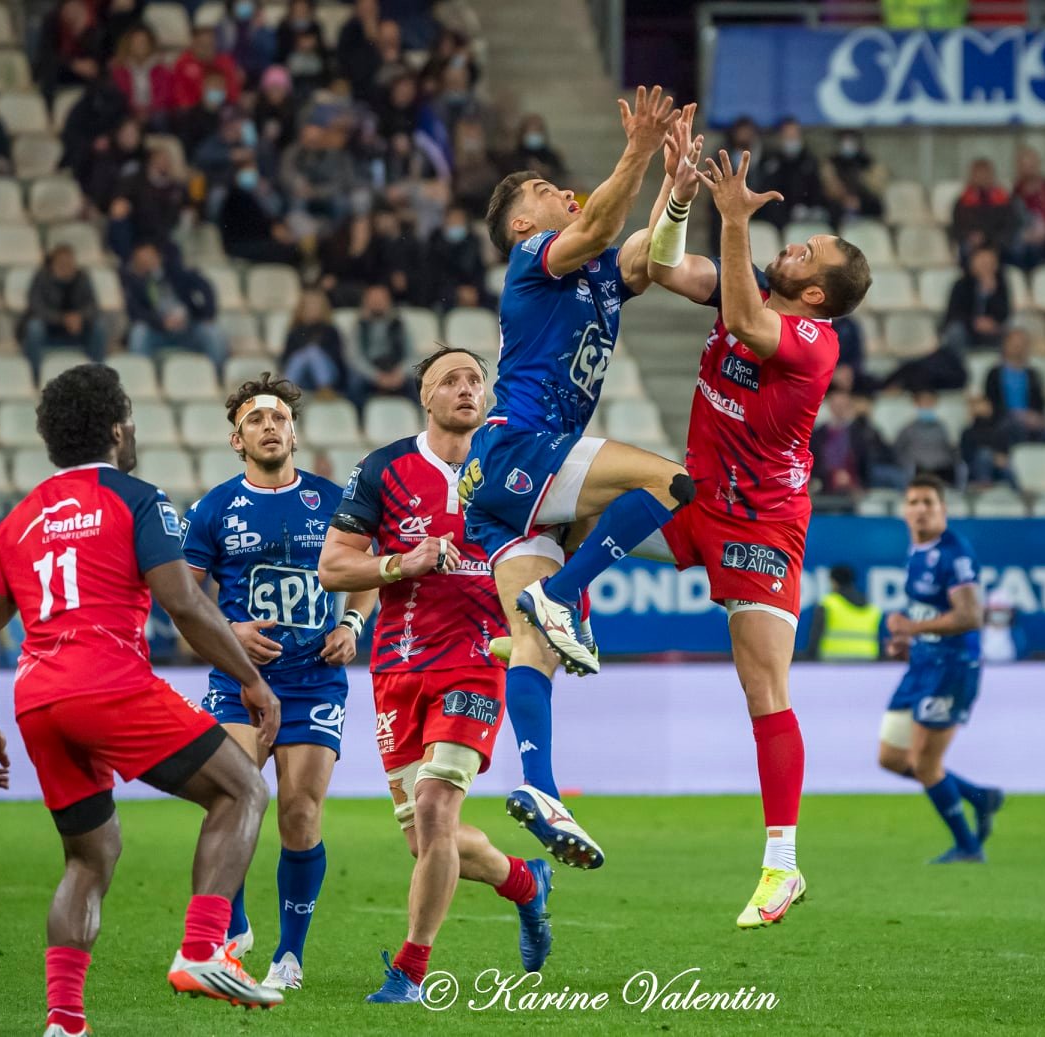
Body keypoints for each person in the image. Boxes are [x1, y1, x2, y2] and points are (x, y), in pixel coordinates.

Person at [0, 364, 286, 1034]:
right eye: (129, 418)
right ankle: (201, 951)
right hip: (107, 680)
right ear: (116, 427)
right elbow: (184, 604)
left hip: (36, 700)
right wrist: (251, 680)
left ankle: (64, 1020)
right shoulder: (137, 497)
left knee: (90, 854)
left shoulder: (17, 521)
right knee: (243, 789)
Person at [643, 119, 871, 926]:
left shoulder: (811, 340)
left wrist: (735, 221)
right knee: (565, 508)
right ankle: (556, 612)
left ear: (816, 295)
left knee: (762, 685)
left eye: (807, 254)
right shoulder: (747, 289)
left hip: (763, 521)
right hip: (693, 492)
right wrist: (675, 195)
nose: (794, 249)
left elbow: (743, 322)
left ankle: (782, 864)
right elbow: (664, 266)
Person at [465, 86, 686, 869]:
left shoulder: (591, 273)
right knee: (671, 483)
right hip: (522, 447)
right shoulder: (534, 259)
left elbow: (648, 258)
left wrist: (676, 185)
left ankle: (541, 787)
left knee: (534, 645)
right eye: (541, 191)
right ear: (523, 224)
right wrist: (637, 148)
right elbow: (597, 222)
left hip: (503, 489)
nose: (560, 190)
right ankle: (563, 597)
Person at [320, 347, 554, 1004]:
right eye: (450, 379)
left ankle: (410, 970)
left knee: (434, 806)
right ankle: (525, 882)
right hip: (398, 668)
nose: (465, 387)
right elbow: (334, 567)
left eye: (475, 378)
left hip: (480, 664)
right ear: (426, 396)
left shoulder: (518, 464)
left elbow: (563, 539)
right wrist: (401, 563)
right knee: (426, 837)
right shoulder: (385, 468)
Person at [181, 374, 377, 993]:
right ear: (237, 438)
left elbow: (366, 574)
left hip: (315, 681)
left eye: (278, 418)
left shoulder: (333, 501)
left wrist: (350, 622)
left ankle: (289, 957)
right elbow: (183, 601)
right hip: (239, 681)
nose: (269, 426)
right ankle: (234, 926)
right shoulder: (213, 508)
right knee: (234, 798)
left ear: (294, 431)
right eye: (255, 419)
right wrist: (229, 632)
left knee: (299, 810)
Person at [877, 474, 1002, 864]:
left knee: (926, 763)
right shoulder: (916, 551)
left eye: (928, 502)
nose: (920, 509)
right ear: (904, 511)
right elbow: (930, 612)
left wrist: (912, 627)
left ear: (942, 509)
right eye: (913, 502)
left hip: (952, 667)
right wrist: (906, 639)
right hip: (921, 664)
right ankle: (979, 797)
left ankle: (968, 846)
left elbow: (969, 616)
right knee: (892, 759)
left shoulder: (954, 554)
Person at [120, 243, 229, 369]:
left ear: (158, 257)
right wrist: (162, 323)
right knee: (139, 332)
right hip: (157, 331)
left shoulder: (177, 272)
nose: (146, 262)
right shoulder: (134, 282)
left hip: (188, 328)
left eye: (149, 257)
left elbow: (205, 288)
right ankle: (140, 374)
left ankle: (218, 377)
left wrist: (207, 315)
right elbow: (135, 311)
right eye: (141, 259)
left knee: (212, 332)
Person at [23, 244, 107, 371]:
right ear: (53, 264)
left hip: (77, 330)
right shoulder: (42, 278)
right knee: (34, 327)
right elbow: (36, 307)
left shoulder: (82, 278)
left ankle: (96, 373)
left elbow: (92, 306)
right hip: (49, 330)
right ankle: (34, 374)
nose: (66, 265)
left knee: (99, 326)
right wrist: (63, 319)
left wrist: (79, 317)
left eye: (70, 262)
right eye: (62, 262)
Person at [812, 387, 899, 496]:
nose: (839, 409)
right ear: (830, 405)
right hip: (824, 484)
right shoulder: (818, 434)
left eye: (842, 405)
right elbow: (814, 461)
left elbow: (869, 459)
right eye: (836, 405)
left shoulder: (860, 431)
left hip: (855, 485)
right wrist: (832, 475)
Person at [219, 162, 305, 267]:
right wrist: (274, 230)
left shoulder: (258, 195)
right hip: (240, 245)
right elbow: (262, 224)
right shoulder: (236, 196)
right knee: (291, 251)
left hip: (254, 241)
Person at [281, 290, 356, 400]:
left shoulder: (331, 331)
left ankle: (324, 388)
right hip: (303, 377)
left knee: (313, 352)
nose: (312, 309)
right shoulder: (294, 332)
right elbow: (287, 359)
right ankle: (287, 389)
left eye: (316, 306)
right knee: (304, 354)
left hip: (330, 376)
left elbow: (337, 358)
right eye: (309, 306)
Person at [983, 329, 1045, 445]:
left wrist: (1036, 417)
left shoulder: (1033, 375)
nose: (1018, 347)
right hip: (1004, 419)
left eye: (1022, 344)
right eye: (1015, 344)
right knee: (1015, 427)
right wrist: (1017, 415)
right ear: (1005, 345)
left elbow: (1040, 402)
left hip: (1030, 419)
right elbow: (991, 402)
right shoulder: (994, 374)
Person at [345, 283, 414, 401]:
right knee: (354, 384)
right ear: (366, 301)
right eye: (373, 299)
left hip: (396, 369)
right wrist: (376, 376)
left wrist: (400, 373)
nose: (377, 302)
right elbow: (355, 358)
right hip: (370, 371)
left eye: (381, 299)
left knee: (418, 385)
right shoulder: (359, 326)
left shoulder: (399, 325)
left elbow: (412, 355)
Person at [753, 117, 824, 230]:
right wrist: (789, 212)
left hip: (809, 219)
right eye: (788, 137)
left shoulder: (810, 161)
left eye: (794, 136)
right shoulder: (771, 162)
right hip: (780, 222)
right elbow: (768, 193)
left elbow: (817, 189)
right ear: (781, 138)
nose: (792, 140)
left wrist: (811, 207)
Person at [941, 245, 1009, 352]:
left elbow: (1004, 313)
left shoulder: (1000, 286)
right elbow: (954, 314)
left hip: (991, 333)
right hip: (967, 331)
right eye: (982, 262)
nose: (986, 267)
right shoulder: (961, 285)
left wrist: (991, 296)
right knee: (955, 331)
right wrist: (975, 323)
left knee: (1012, 334)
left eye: (990, 263)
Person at [809, 564, 883, 661]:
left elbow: (815, 638)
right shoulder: (872, 608)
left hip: (832, 662)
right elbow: (879, 641)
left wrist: (810, 658)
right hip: (867, 662)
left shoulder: (828, 604)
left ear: (834, 582)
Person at [950, 158, 1016, 262]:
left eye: (985, 174)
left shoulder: (1003, 199)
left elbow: (1009, 227)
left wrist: (987, 238)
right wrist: (970, 236)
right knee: (965, 250)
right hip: (971, 244)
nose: (982, 177)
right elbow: (956, 228)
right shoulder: (962, 201)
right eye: (978, 174)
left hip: (996, 243)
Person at [110, 26, 177, 128]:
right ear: (129, 45)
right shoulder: (120, 70)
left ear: (150, 44)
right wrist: (136, 111)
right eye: (135, 43)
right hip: (129, 111)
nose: (139, 46)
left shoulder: (161, 68)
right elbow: (120, 95)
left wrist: (149, 111)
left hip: (155, 112)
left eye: (143, 42)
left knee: (160, 117)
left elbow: (165, 95)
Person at [423, 208, 487, 311]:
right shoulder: (435, 244)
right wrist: (457, 291)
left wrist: (474, 290)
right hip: (443, 294)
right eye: (453, 220)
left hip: (472, 292)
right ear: (445, 222)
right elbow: (434, 275)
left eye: (459, 221)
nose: (456, 224)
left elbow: (479, 272)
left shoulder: (472, 243)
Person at [820, 129, 885, 223]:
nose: (847, 144)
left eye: (850, 140)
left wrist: (860, 203)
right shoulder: (832, 164)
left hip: (866, 213)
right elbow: (829, 190)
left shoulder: (867, 163)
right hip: (838, 214)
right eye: (845, 141)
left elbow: (877, 201)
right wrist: (844, 200)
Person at [893, 390, 958, 483]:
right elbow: (897, 451)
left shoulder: (942, 428)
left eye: (929, 402)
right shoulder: (908, 429)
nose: (927, 406)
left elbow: (950, 450)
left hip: (942, 470)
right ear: (917, 404)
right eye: (923, 402)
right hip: (916, 470)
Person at [960, 396, 1014, 488]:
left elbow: (1004, 450)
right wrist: (992, 456)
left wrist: (999, 457)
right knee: (984, 454)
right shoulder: (968, 432)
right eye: (979, 406)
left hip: (997, 466)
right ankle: (984, 484)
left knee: (1006, 466)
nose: (983, 408)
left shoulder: (999, 429)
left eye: (986, 405)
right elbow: (966, 455)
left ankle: (1018, 493)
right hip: (975, 467)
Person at [506, 114, 566, 184]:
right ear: (522, 133)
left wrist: (548, 172)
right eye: (531, 131)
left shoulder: (552, 156)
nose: (534, 134)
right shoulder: (512, 157)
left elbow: (561, 176)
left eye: (538, 130)